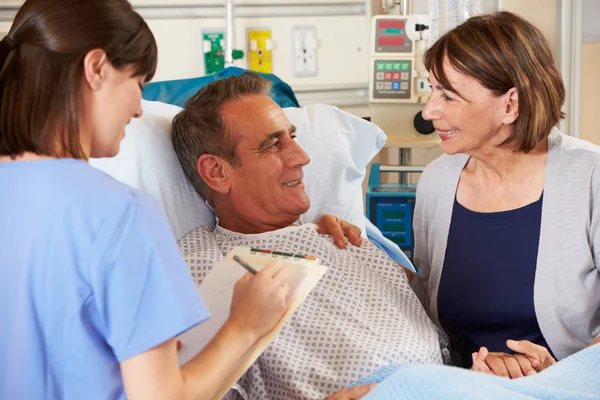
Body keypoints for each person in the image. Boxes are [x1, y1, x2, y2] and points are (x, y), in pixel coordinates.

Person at [0, 1, 361, 399]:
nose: (139, 109)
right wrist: (244, 325)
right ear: (96, 69)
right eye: (137, 83)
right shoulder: (116, 213)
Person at [171, 72, 445, 400]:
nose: (302, 157)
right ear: (217, 172)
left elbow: (439, 340)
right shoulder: (200, 264)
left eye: (292, 138)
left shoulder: (344, 239)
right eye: (272, 145)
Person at [414, 10, 600, 379]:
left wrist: (564, 374)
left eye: (449, 96)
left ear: (510, 105)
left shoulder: (591, 179)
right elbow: (429, 316)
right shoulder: (436, 183)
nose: (429, 110)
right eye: (431, 89)